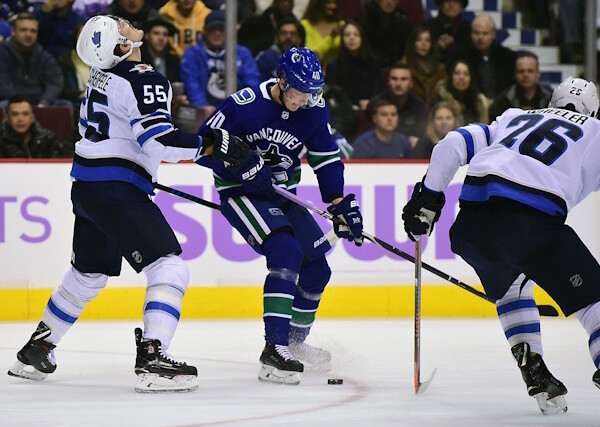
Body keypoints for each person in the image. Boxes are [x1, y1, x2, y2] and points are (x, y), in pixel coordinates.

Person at [6, 14, 251, 393]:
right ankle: (152, 357)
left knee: (88, 274)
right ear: (121, 47)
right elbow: (160, 142)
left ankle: (38, 348)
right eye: (119, 26)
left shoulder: (101, 74)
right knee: (169, 267)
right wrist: (214, 143)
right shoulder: (144, 77)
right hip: (115, 189)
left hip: (87, 187)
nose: (126, 22)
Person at [402, 77, 600, 425]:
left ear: (551, 100)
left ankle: (535, 370)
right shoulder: (599, 134)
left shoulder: (514, 116)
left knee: (512, 288)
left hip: (470, 227)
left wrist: (429, 197)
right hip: (530, 225)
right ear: (594, 111)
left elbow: (451, 144)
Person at [196, 46, 364, 385]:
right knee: (285, 250)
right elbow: (204, 146)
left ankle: (293, 345)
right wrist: (241, 166)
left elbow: (326, 158)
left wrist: (337, 202)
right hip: (241, 193)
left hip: (284, 194)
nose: (305, 99)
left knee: (317, 269)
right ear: (281, 80)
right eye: (299, 91)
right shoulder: (244, 105)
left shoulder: (314, 110)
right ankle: (273, 350)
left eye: (312, 92)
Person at [181, 10, 260, 116]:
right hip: (205, 113)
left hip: (238, 111)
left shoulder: (242, 53)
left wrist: (247, 106)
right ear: (204, 31)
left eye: (221, 29)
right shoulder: (193, 53)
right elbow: (191, 83)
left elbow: (252, 82)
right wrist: (203, 106)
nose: (217, 34)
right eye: (213, 29)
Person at [0, 13, 65, 108]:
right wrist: (19, 103)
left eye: (33, 31)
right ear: (13, 31)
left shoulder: (44, 55)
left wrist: (44, 102)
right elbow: (3, 84)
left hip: (40, 103)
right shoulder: (2, 52)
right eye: (23, 30)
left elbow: (55, 82)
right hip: (11, 102)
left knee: (64, 105)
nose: (28, 34)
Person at [455, 14, 517, 106]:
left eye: (485, 33)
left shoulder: (508, 57)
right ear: (470, 34)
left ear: (493, 34)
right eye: (476, 33)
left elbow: (512, 87)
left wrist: (497, 101)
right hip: (471, 107)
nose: (480, 37)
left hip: (504, 107)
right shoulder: (461, 56)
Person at [368, 62, 428, 147]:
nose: (398, 84)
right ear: (388, 81)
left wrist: (420, 141)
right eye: (394, 79)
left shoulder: (420, 107)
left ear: (411, 83)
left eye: (403, 79)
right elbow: (366, 135)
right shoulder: (375, 105)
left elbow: (426, 135)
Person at [324, 19, 380, 110]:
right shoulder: (333, 66)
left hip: (370, 108)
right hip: (343, 111)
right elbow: (334, 96)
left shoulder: (373, 64)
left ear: (362, 38)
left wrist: (369, 103)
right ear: (342, 39)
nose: (351, 38)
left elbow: (376, 92)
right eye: (347, 35)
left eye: (356, 35)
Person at [489, 51, 551, 121]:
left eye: (530, 71)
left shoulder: (550, 99)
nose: (525, 75)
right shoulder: (502, 100)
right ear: (515, 74)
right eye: (521, 71)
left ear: (538, 74)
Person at [432, 59, 490, 125]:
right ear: (451, 76)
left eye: (466, 74)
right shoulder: (439, 101)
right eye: (457, 73)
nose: (461, 77)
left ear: (471, 78)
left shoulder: (479, 103)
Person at [355, 0, 412, 67]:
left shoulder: (404, 23)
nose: (389, 2)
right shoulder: (363, 21)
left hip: (397, 70)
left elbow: (408, 49)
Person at [401, 26, 446, 105]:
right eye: (419, 40)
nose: (423, 44)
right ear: (412, 43)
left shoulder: (440, 69)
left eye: (427, 40)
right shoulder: (404, 67)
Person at [422, 0, 471, 67]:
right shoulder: (428, 27)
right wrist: (436, 48)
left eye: (455, 1)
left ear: (461, 6)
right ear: (441, 5)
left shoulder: (468, 29)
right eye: (447, 1)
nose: (451, 5)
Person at [255, 15, 304, 81]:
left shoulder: (306, 59)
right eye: (284, 33)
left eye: (293, 33)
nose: (288, 37)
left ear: (299, 39)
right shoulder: (264, 58)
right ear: (276, 37)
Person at [300, 0, 343, 64]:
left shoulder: (340, 25)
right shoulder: (305, 25)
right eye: (329, 3)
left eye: (335, 3)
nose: (333, 6)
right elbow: (311, 54)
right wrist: (331, 37)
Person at [140, 15, 181, 83]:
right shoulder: (139, 60)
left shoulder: (174, 62)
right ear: (147, 35)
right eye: (156, 33)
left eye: (165, 34)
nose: (161, 38)